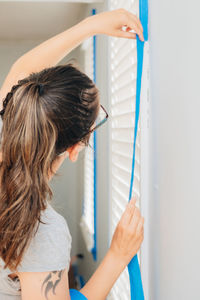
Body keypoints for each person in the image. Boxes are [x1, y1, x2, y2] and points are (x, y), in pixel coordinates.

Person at [0, 8, 145, 300]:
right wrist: (117, 255)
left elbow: (21, 71)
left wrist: (91, 26)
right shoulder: (40, 231)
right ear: (75, 148)